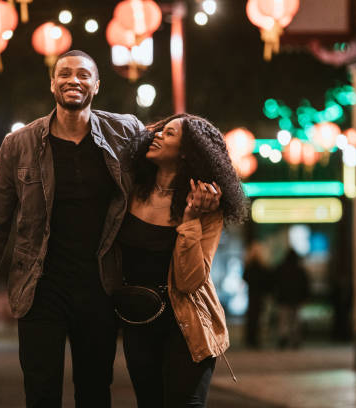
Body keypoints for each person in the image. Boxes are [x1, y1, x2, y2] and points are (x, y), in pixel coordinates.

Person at [0, 50, 145, 407]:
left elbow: (161, 175)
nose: (72, 80)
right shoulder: (19, 145)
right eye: (64, 74)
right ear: (52, 83)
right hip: (40, 288)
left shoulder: (124, 133)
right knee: (41, 392)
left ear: (96, 84)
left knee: (95, 391)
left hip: (100, 285)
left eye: (82, 74)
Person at [114, 113, 248, 407]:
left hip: (187, 324)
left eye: (169, 133)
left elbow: (190, 281)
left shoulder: (204, 206)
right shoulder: (129, 191)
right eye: (160, 130)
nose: (157, 135)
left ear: (187, 151)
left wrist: (190, 221)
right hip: (139, 321)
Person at [274, 248, 310, 349]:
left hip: (283, 299)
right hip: (296, 299)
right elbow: (305, 285)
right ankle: (295, 340)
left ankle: (283, 338)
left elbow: (275, 283)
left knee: (284, 320)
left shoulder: (281, 269)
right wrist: (305, 297)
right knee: (295, 320)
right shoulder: (300, 270)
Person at [243, 240, 272, 348]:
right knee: (259, 317)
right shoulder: (262, 266)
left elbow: (245, 277)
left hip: (252, 294)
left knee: (252, 316)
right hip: (260, 295)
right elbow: (267, 280)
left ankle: (250, 339)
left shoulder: (249, 265)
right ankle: (256, 339)